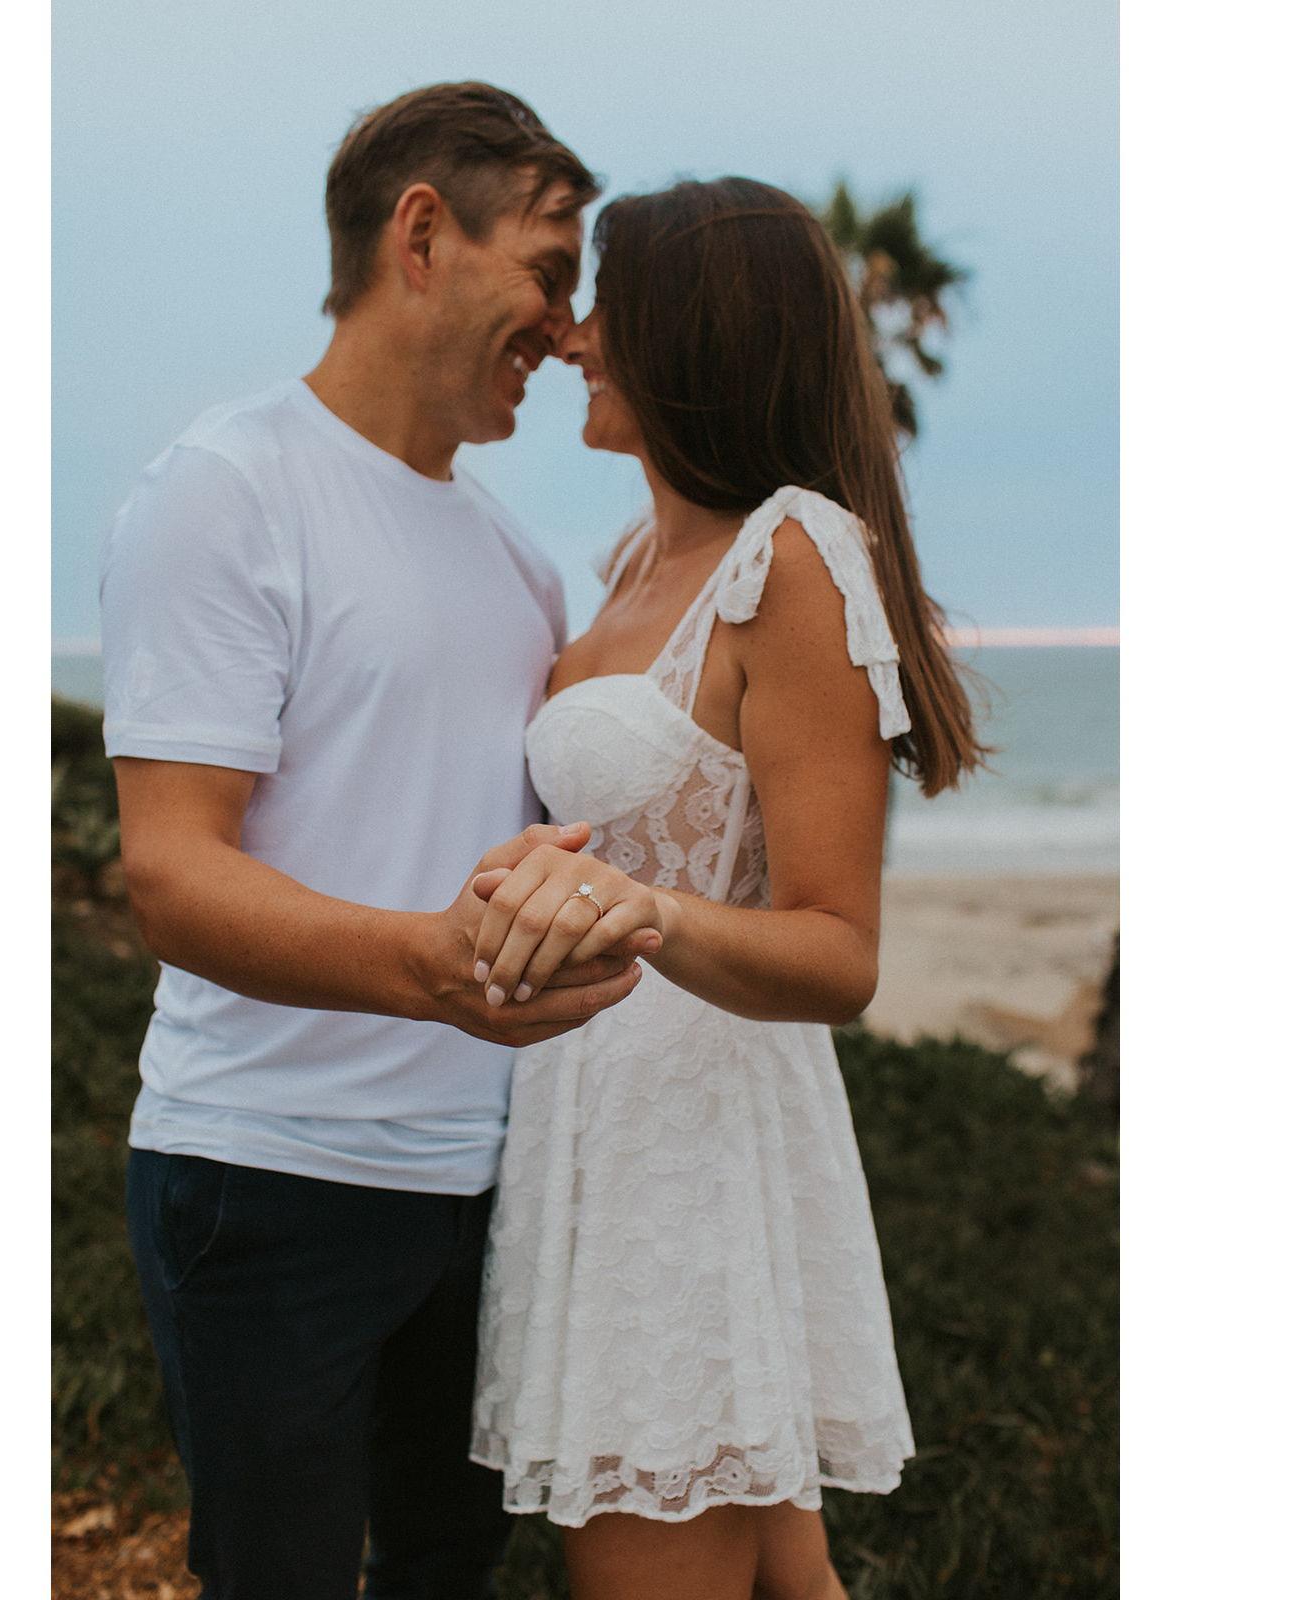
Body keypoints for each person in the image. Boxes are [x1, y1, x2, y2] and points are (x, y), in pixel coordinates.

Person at [98, 83, 655, 1600]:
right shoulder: (226, 492)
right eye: (550, 267)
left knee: (444, 1576)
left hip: (484, 1189)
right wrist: (431, 970)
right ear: (424, 233)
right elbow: (174, 870)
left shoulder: (516, 562)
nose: (567, 322)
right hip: (266, 1175)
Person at [467, 178, 988, 1600]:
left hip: (692, 1151)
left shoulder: (794, 557)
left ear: (692, 336)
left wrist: (646, 911)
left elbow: (837, 948)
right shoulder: (636, 558)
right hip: (597, 1119)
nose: (572, 338)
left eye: (603, 311)